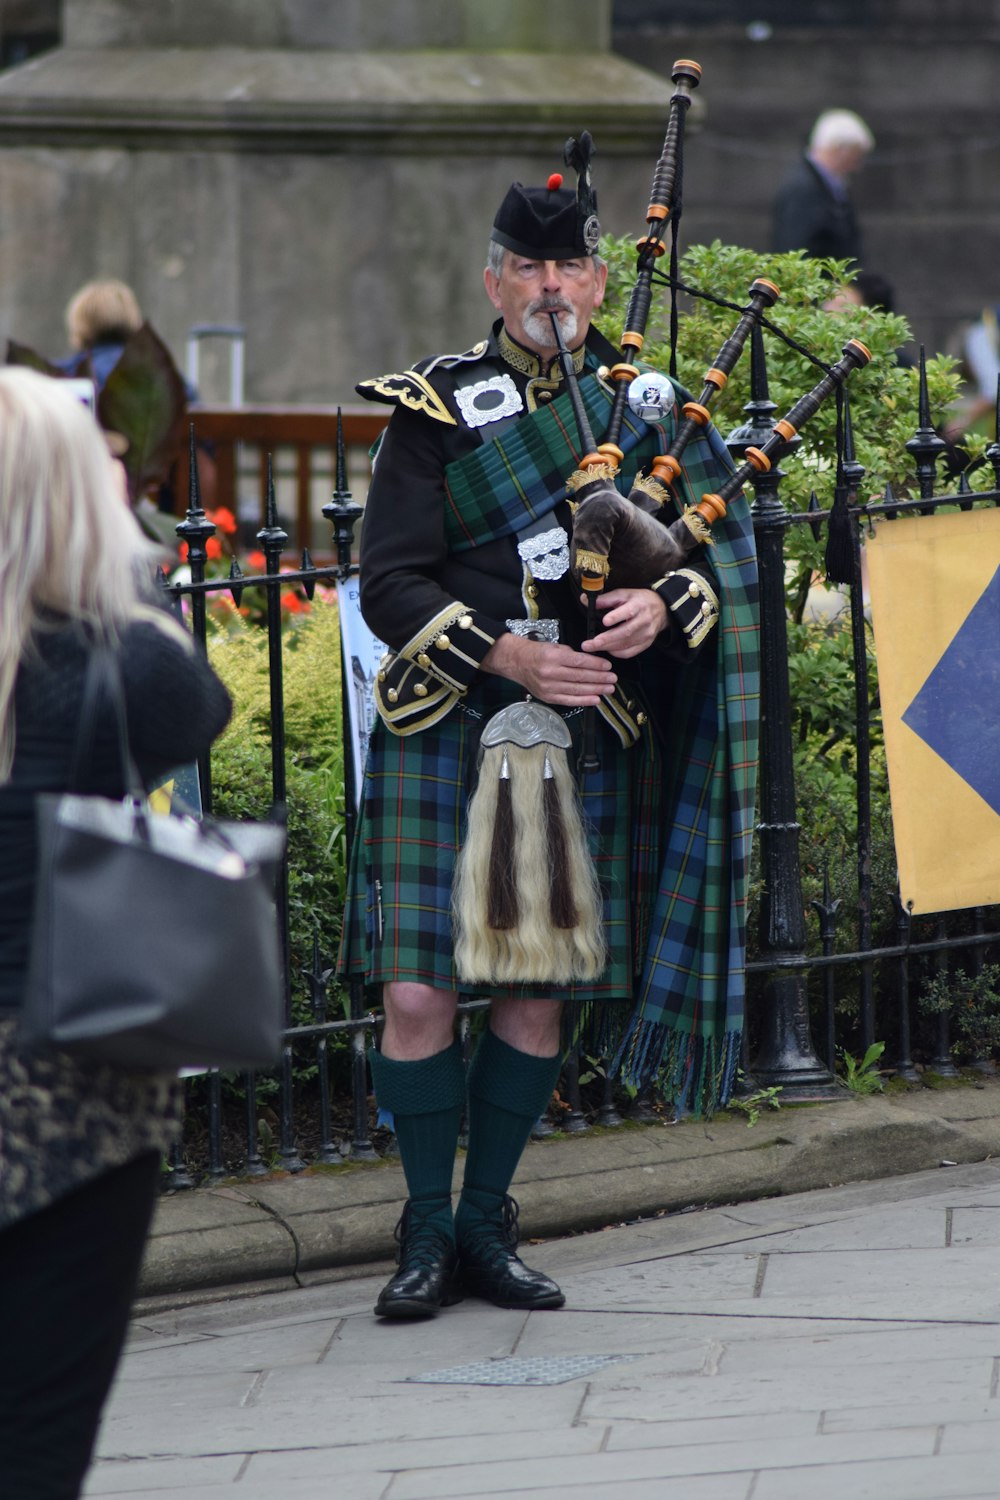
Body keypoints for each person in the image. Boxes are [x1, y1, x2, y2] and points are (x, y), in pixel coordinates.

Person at [339, 149, 759, 1320]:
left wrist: (659, 601)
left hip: (582, 735)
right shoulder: (434, 410)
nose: (551, 287)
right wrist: (507, 654)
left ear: (595, 277)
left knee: (535, 993)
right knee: (419, 995)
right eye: (527, 265)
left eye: (569, 264)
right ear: (493, 283)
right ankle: (423, 1230)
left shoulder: (650, 411)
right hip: (454, 724)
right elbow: (390, 584)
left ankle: (486, 1225)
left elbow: (719, 562)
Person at [0, 367, 232, 1497]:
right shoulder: (110, 656)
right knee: (38, 1430)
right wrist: (122, 555)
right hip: (70, 1094)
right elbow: (201, 710)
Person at [772, 108, 875, 266]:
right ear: (839, 149)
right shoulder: (803, 189)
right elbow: (794, 250)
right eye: (856, 156)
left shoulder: (828, 185)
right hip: (820, 286)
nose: (857, 166)